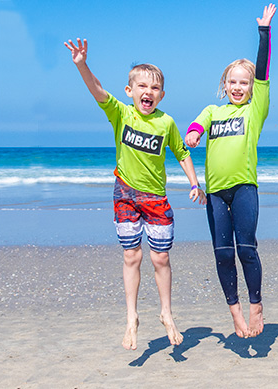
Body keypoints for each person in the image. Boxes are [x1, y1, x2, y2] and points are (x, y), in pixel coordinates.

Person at [64, 38, 206, 350]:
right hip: (125, 193)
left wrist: (195, 183)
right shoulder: (121, 114)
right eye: (142, 86)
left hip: (156, 198)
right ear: (130, 91)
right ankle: (132, 317)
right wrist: (81, 64)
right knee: (132, 255)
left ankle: (166, 313)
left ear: (162, 94)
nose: (148, 92)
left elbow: (182, 153)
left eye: (155, 88)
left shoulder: (166, 122)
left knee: (161, 257)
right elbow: (98, 90)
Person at [184, 4, 276, 339]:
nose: (238, 87)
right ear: (225, 83)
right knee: (223, 254)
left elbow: (264, 71)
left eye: (244, 83)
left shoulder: (255, 111)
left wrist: (263, 32)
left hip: (244, 190)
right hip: (215, 194)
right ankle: (235, 313)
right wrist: (193, 134)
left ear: (252, 87)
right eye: (233, 82)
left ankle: (256, 305)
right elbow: (197, 125)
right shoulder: (213, 110)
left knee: (246, 249)